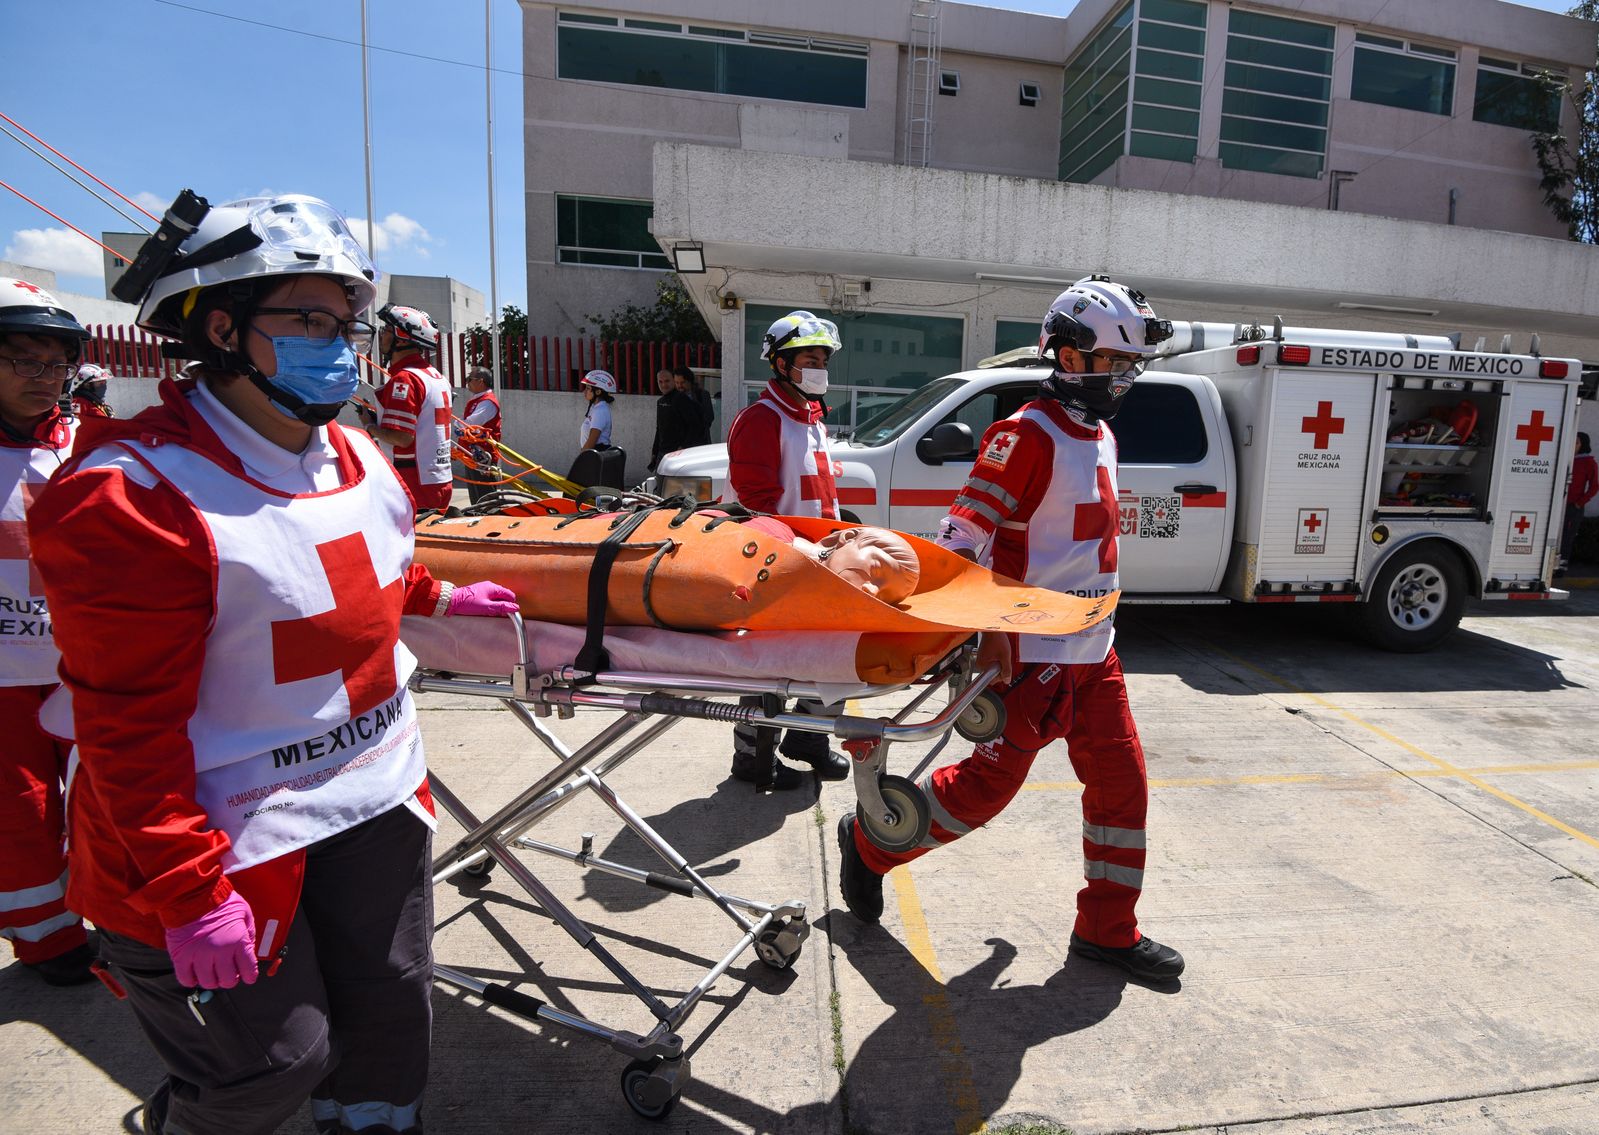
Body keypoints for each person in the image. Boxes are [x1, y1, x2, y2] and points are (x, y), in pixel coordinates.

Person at [28, 193, 519, 1135]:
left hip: (371, 799)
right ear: (221, 327)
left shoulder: (358, 456)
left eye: (347, 323)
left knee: (389, 1025)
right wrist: (185, 890)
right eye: (308, 320)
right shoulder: (131, 498)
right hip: (218, 835)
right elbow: (125, 728)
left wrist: (439, 599)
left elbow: (359, 572)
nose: (339, 343)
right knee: (268, 1065)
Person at [835, 275, 1187, 984]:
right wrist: (980, 631)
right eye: (1110, 363)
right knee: (982, 792)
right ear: (1065, 354)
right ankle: (871, 842)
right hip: (1028, 658)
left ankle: (1106, 929)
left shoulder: (1102, 434)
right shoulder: (1023, 434)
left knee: (1123, 790)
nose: (1120, 378)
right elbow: (961, 538)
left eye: (1128, 366)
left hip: (1096, 654)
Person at [0, 277, 93, 986]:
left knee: (101, 793)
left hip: (80, 660)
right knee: (23, 808)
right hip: (5, 673)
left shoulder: (80, 447)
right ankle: (45, 934)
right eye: (24, 360)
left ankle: (107, 907)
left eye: (55, 364)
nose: (44, 378)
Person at [724, 311, 850, 790]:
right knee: (770, 665)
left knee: (834, 652)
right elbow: (753, 501)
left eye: (823, 359)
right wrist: (795, 550)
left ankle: (808, 739)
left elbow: (818, 492)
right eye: (808, 359)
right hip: (777, 562)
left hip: (821, 558)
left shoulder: (813, 419)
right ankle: (751, 755)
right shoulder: (762, 419)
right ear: (780, 364)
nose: (818, 367)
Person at [361, 303, 453, 513]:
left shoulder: (405, 379)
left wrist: (369, 426)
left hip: (412, 482)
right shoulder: (436, 377)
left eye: (386, 331)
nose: (381, 335)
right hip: (438, 479)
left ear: (401, 339)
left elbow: (402, 438)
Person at [457, 365, 502, 505]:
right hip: (472, 455)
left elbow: (470, 424)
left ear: (480, 381)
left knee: (485, 499)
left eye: (469, 379)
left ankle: (490, 523)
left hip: (482, 458)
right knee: (476, 499)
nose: (467, 382)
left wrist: (455, 424)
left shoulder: (487, 402)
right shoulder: (479, 400)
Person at [1559, 431, 1595, 576]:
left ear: (1583, 445)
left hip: (1573, 506)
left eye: (1577, 442)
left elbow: (1594, 486)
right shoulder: (1565, 458)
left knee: (1567, 536)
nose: (1574, 445)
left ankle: (1561, 567)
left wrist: (1580, 503)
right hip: (1558, 506)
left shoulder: (1589, 462)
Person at [648, 366, 696, 473]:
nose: (664, 385)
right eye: (660, 382)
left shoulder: (681, 399)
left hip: (678, 453)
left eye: (667, 381)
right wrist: (654, 452)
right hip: (662, 452)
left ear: (673, 381)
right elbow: (659, 429)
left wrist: (683, 446)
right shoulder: (660, 401)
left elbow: (694, 425)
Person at [674, 364, 713, 447]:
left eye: (682, 382)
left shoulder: (702, 395)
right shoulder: (675, 397)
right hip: (680, 444)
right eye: (677, 383)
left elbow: (709, 417)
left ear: (690, 381)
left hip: (700, 443)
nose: (679, 386)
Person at [578, 367, 615, 451]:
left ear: (598, 392)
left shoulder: (600, 411)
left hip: (595, 456)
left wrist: (581, 459)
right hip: (593, 455)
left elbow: (591, 442)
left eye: (588, 388)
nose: (584, 392)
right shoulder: (596, 408)